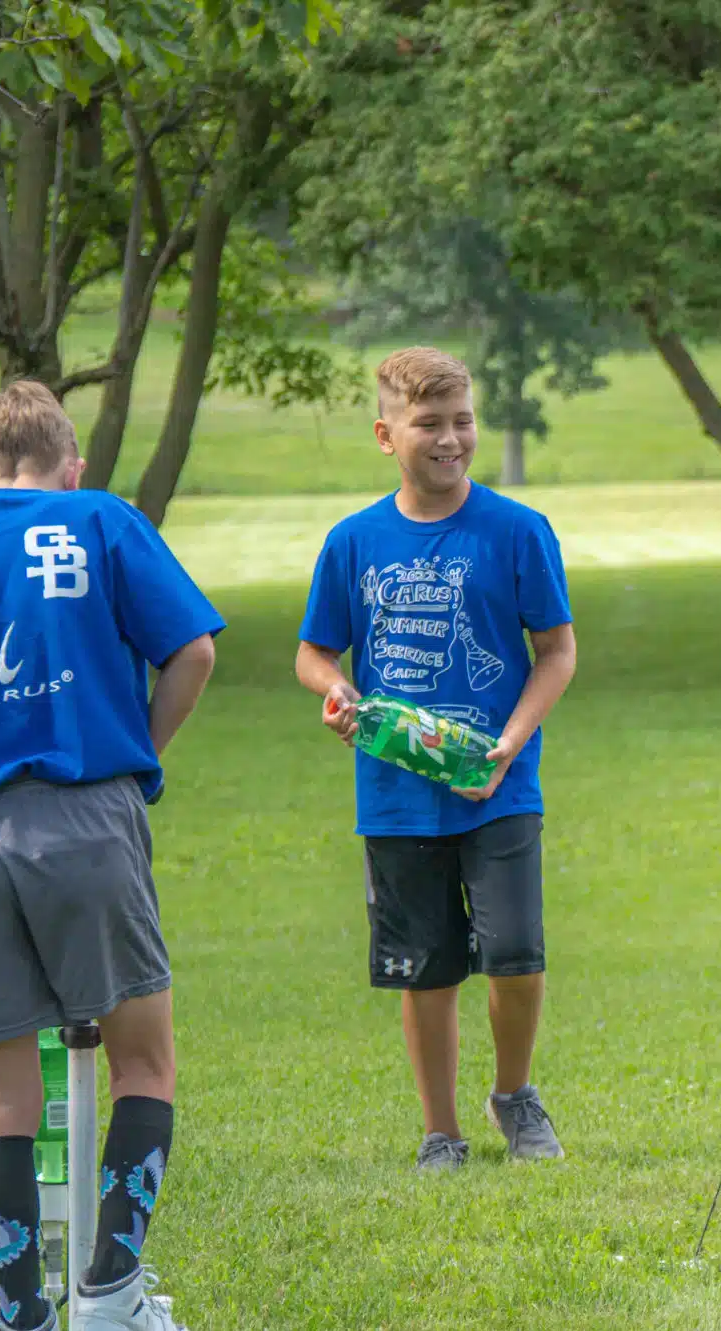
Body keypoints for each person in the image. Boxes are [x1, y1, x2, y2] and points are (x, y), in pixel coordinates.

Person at [0, 381, 221, 1331]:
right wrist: (136, 754)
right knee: (144, 1060)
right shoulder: (100, 519)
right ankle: (109, 1294)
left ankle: (22, 1310)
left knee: (1, 1083)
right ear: (73, 466)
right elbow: (193, 651)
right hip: (87, 813)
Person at [295, 347, 577, 1171]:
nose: (450, 439)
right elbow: (314, 652)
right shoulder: (354, 543)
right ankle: (441, 1130)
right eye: (429, 424)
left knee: (517, 953)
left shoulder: (518, 531)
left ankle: (515, 1096)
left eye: (463, 421)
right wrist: (337, 691)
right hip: (397, 792)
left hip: (498, 784)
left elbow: (556, 652)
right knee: (424, 968)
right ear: (387, 435)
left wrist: (510, 743)